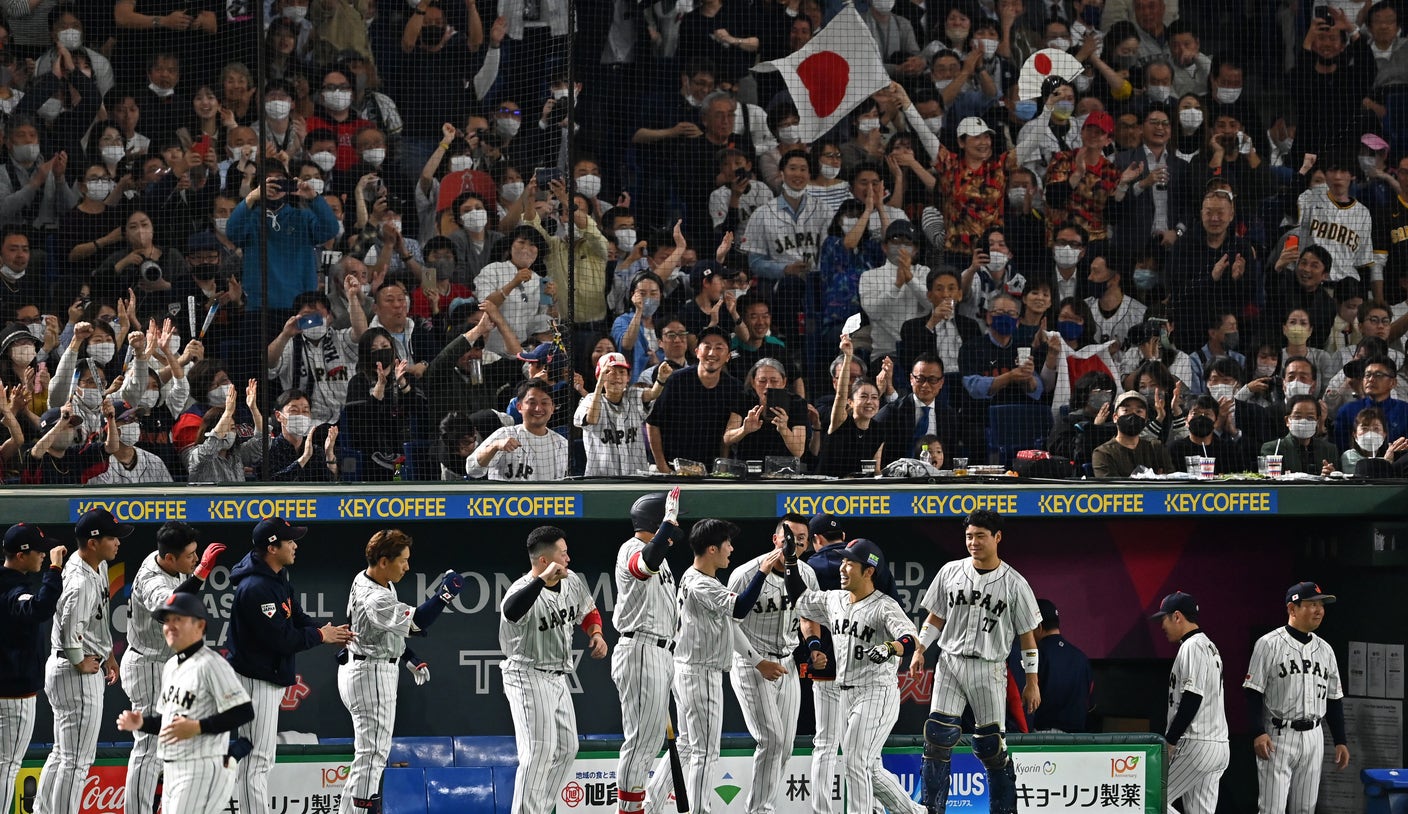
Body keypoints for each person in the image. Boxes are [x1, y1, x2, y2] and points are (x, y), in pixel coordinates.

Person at [645, 518, 790, 812]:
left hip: (689, 669)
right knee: (705, 752)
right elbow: (740, 606)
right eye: (727, 544)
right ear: (712, 548)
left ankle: (648, 805)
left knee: (687, 746)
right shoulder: (700, 583)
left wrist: (757, 661)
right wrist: (761, 572)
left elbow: (729, 623)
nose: (732, 549)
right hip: (700, 673)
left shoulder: (696, 577)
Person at [914, 510, 1040, 814]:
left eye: (980, 535)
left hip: (989, 667)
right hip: (950, 663)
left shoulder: (1014, 583)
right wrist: (919, 649)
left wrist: (1032, 683)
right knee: (937, 738)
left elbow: (1027, 638)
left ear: (997, 537)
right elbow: (935, 619)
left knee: (991, 747)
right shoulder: (950, 571)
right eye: (969, 536)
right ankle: (932, 809)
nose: (973, 542)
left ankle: (1003, 810)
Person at [226, 517, 353, 814]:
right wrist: (321, 635)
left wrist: (327, 631)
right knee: (256, 760)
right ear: (272, 547)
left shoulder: (276, 575)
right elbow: (282, 640)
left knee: (260, 758)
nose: (295, 545)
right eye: (290, 541)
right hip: (254, 680)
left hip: (266, 677)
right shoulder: (256, 587)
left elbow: (295, 617)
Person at [793, 538, 923, 814]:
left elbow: (910, 637)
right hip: (845, 694)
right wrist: (791, 562)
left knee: (856, 762)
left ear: (869, 571)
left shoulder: (884, 606)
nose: (842, 567)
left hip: (876, 691)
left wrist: (891, 647)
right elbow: (801, 600)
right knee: (869, 769)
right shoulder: (834, 600)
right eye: (842, 561)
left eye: (850, 563)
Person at [339, 531, 463, 814]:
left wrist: (408, 658)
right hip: (370, 674)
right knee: (372, 756)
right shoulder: (374, 596)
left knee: (368, 756)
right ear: (383, 561)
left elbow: (384, 632)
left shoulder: (371, 577)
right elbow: (418, 622)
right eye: (403, 561)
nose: (407, 566)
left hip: (368, 664)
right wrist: (446, 592)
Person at [113, 591, 255, 814]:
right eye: (167, 620)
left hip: (201, 767)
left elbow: (243, 712)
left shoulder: (212, 664)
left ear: (200, 626)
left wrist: (198, 727)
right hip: (171, 768)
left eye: (178, 619)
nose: (170, 626)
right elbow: (170, 723)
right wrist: (142, 724)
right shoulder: (170, 666)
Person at [499, 526, 605, 812]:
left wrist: (595, 633)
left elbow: (588, 611)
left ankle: (541, 809)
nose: (568, 558)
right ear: (544, 561)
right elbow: (511, 611)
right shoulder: (522, 589)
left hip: (557, 677)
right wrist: (540, 581)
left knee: (567, 749)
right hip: (527, 674)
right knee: (537, 753)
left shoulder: (571, 581)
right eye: (563, 552)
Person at [121, 523, 225, 814]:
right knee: (149, 750)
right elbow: (167, 610)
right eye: (190, 555)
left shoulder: (168, 563)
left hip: (166, 665)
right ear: (168, 558)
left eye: (196, 554)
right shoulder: (152, 577)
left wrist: (195, 572)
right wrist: (201, 573)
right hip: (149, 665)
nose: (195, 559)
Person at [35, 509, 130, 814]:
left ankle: (43, 811)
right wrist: (79, 660)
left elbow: (95, 620)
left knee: (63, 753)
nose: (117, 542)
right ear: (92, 541)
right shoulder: (80, 581)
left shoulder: (95, 565)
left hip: (70, 668)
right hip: (74, 673)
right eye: (111, 537)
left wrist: (110, 655)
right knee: (77, 761)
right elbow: (68, 631)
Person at [728, 516, 819, 814]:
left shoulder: (806, 573)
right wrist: (757, 662)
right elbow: (730, 625)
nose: (797, 542)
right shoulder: (746, 573)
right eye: (791, 536)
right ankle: (761, 810)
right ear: (776, 539)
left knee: (785, 747)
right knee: (771, 740)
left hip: (787, 664)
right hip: (751, 662)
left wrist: (813, 645)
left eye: (803, 537)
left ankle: (758, 806)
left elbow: (808, 616)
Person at [1244, 582, 1350, 814]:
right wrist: (1257, 732)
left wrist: (1340, 739)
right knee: (1272, 809)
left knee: (1305, 809)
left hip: (1314, 736)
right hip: (1278, 736)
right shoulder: (1268, 644)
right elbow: (1252, 692)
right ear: (1292, 609)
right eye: (1312, 604)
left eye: (1321, 605)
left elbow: (1333, 700)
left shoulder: (1326, 650)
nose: (1319, 610)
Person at [611, 490, 682, 814]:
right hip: (641, 646)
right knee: (641, 740)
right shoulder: (633, 547)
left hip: (661, 651)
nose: (673, 535)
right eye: (668, 529)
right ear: (655, 522)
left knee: (649, 741)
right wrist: (668, 522)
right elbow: (644, 566)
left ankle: (640, 808)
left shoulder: (661, 557)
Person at [0, 524, 64, 814]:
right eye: (38, 550)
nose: (42, 554)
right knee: (7, 765)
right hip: (12, 695)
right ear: (22, 554)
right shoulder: (11, 588)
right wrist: (54, 570)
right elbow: (38, 608)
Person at [1150, 591, 1229, 814]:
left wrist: (1171, 740)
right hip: (1218, 743)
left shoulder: (1192, 645)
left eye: (1164, 619)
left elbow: (1193, 697)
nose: (1162, 626)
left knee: (1151, 797)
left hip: (1196, 742)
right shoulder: (1209, 646)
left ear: (1177, 616)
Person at [646, 327, 746, 472]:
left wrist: (721, 469)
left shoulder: (734, 388)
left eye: (719, 348)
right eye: (707, 347)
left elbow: (727, 437)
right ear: (697, 352)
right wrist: (663, 467)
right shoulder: (676, 380)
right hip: (671, 468)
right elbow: (652, 424)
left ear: (728, 356)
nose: (712, 353)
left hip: (709, 471)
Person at [1007, 599, 1092, 733]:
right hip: (1077, 740)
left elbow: (1024, 701)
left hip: (1043, 738)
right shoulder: (1081, 657)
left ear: (1038, 626)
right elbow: (1090, 700)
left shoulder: (1034, 656)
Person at [466, 379, 568, 481]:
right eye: (532, 403)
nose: (538, 408)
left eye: (544, 403)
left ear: (552, 408)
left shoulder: (562, 444)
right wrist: (495, 447)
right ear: (519, 407)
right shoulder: (504, 434)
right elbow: (472, 470)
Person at [574, 352, 657, 477]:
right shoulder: (590, 400)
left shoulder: (633, 397)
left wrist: (661, 380)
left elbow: (652, 394)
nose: (616, 376)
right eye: (610, 372)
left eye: (622, 372)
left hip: (636, 478)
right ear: (599, 376)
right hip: (600, 480)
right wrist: (599, 386)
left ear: (628, 377)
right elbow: (591, 419)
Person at [1091, 390, 1175, 476]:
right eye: (1126, 410)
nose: (1133, 415)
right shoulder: (1103, 453)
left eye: (1139, 411)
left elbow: (1171, 481)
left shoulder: (1156, 448)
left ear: (1145, 419)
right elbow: (1112, 488)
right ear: (1115, 417)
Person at [1264, 395, 1338, 476]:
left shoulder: (1329, 450)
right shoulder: (1273, 449)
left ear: (1317, 421)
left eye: (1310, 417)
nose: (1303, 421)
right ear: (1287, 421)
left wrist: (1331, 475)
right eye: (1297, 416)